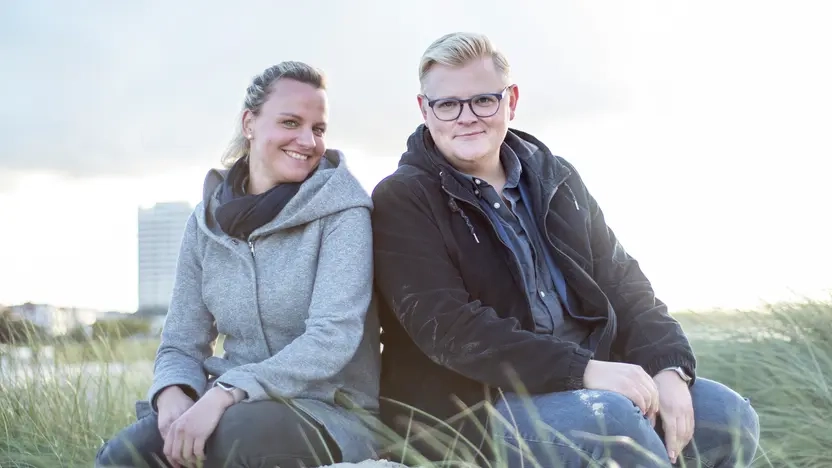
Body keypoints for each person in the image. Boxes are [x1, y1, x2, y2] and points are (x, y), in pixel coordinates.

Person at [370, 32, 760, 467]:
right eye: (447, 104)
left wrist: (668, 368)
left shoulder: (557, 179)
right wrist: (586, 372)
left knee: (727, 415)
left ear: (511, 100)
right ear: (425, 109)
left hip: (589, 385)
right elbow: (449, 328)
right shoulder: (402, 198)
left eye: (483, 100)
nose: (466, 117)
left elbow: (624, 282)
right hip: (473, 410)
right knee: (610, 421)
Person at [96, 61, 381, 468]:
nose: (308, 140)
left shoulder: (344, 212)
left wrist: (225, 392)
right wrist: (173, 392)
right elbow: (181, 340)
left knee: (235, 438)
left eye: (318, 129)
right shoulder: (205, 222)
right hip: (230, 402)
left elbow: (332, 337)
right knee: (122, 455)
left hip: (328, 413)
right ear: (250, 123)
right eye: (290, 122)